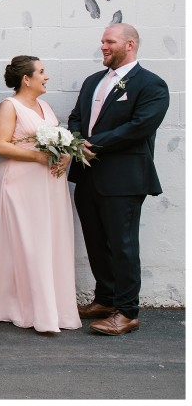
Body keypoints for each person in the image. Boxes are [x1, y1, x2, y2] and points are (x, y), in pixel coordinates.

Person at [67, 23, 169, 335]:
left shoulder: (151, 85)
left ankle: (127, 312)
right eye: (102, 42)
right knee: (96, 242)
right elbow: (76, 117)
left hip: (124, 179)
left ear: (130, 45)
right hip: (87, 176)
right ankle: (105, 299)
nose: (104, 47)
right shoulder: (93, 81)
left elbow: (139, 127)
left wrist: (94, 144)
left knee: (122, 245)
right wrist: (76, 140)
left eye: (110, 41)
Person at [0, 56, 81, 334]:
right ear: (27, 79)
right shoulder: (9, 106)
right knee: (24, 241)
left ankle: (51, 306)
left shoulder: (45, 106)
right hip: (19, 182)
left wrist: (65, 157)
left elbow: (60, 142)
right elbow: (1, 145)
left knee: (48, 241)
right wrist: (37, 157)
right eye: (41, 72)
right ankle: (17, 306)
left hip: (49, 185)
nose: (46, 76)